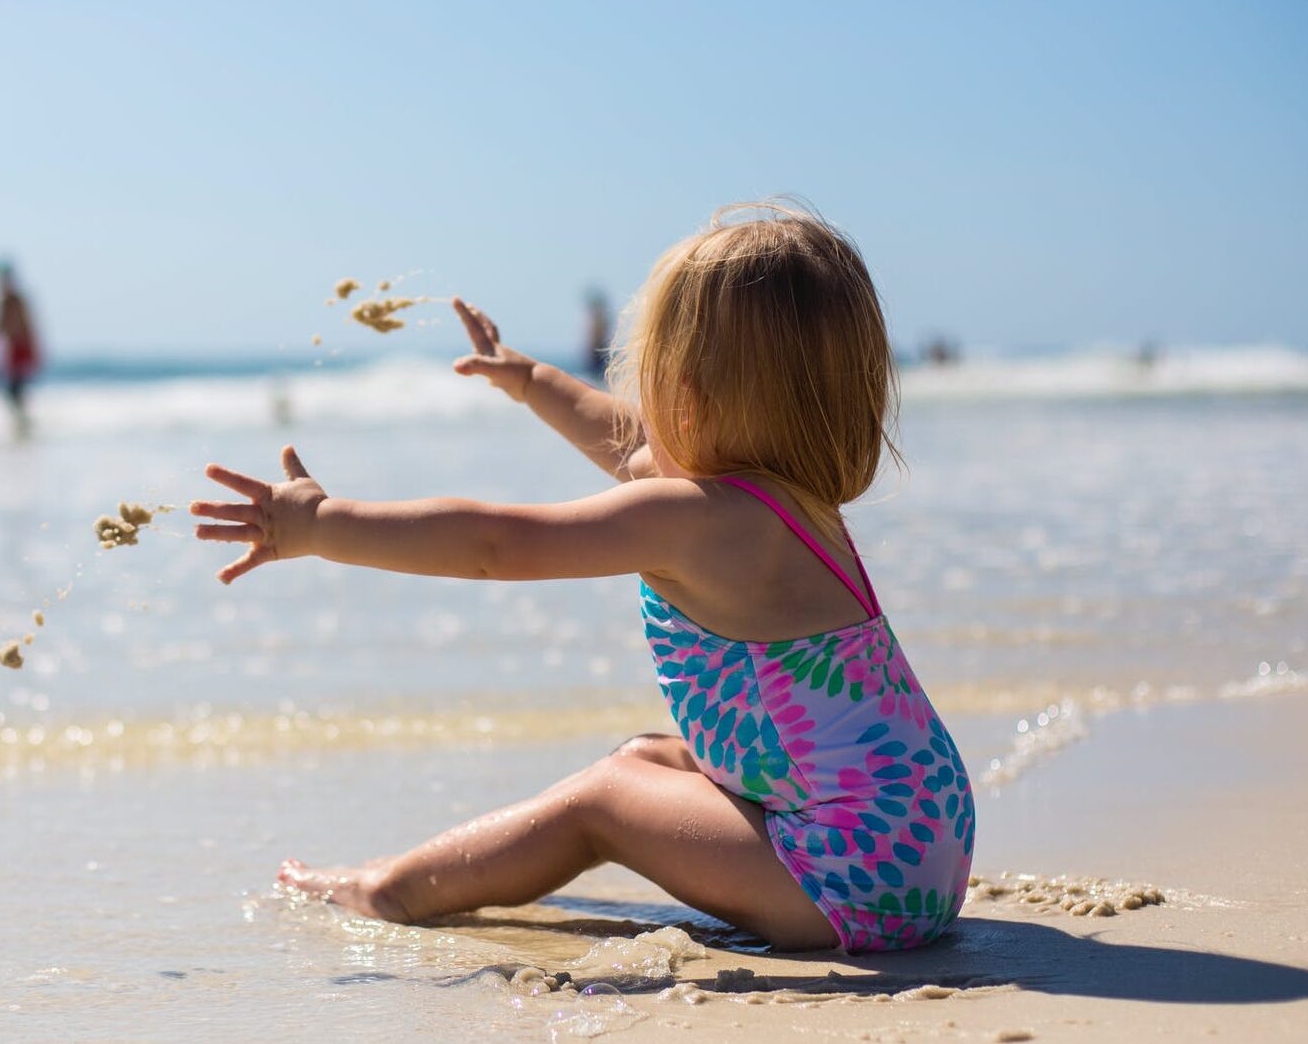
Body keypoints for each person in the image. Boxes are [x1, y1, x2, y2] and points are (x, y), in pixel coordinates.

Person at [191, 203, 974, 953]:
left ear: (689, 398)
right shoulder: (790, 504)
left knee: (602, 800)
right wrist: (530, 380)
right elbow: (627, 442)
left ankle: (388, 889)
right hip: (920, 842)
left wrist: (322, 526)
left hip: (853, 880)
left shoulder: (701, 521)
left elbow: (495, 543)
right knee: (645, 758)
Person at [0, 258, 41, 436]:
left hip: (20, 350)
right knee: (14, 392)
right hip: (14, 350)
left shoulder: (13, 301)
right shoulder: (9, 301)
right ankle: (22, 427)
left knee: (15, 391)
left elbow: (11, 328)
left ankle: (24, 428)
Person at [584, 285, 612, 377]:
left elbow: (595, 336)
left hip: (598, 351)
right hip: (599, 351)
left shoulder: (598, 318)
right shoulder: (600, 318)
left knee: (598, 375)